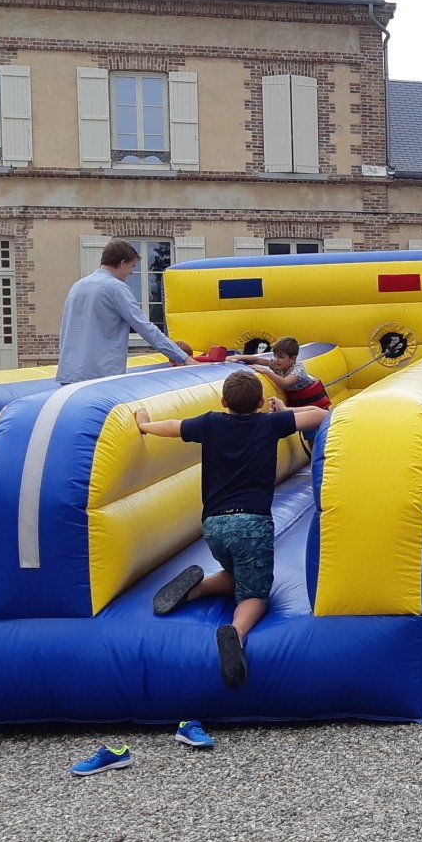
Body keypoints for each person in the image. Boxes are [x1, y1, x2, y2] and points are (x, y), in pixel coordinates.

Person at [136, 371, 328, 687]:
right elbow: (319, 415)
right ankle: (236, 633)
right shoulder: (269, 423)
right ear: (259, 403)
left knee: (237, 572)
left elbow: (173, 427)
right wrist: (281, 411)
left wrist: (144, 424)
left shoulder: (211, 423)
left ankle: (197, 589)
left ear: (224, 402)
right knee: (255, 592)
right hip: (252, 524)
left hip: (213, 526)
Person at [58, 239, 190, 384]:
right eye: (132, 266)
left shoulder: (78, 286)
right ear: (122, 263)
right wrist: (184, 358)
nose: (132, 272)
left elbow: (67, 330)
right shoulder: (116, 288)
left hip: (69, 373)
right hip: (99, 377)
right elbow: (145, 328)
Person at [230, 336, 330, 409]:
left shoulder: (298, 369)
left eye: (281, 357)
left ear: (293, 359)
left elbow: (285, 382)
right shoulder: (277, 363)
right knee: (308, 431)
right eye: (275, 356)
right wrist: (238, 357)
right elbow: (256, 360)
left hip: (314, 400)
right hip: (300, 402)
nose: (276, 359)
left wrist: (267, 372)